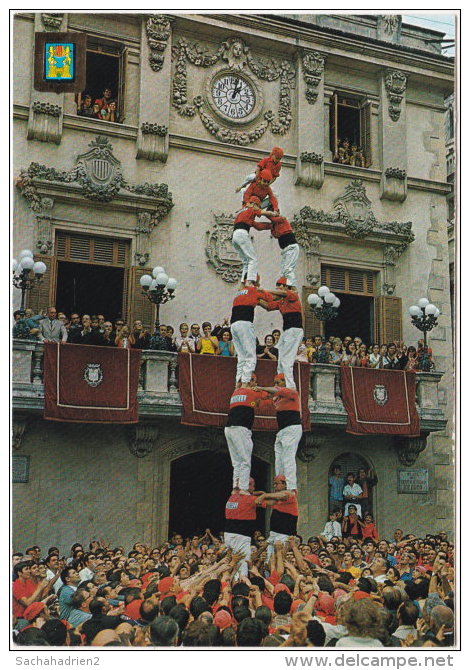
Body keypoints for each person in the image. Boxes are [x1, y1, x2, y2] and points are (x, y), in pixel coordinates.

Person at [255, 373, 302, 493]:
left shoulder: (291, 392)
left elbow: (275, 390)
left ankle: (291, 486)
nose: (275, 385)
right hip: (282, 431)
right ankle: (279, 484)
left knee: (288, 457)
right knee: (279, 459)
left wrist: (261, 388)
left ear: (284, 382)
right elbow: (260, 404)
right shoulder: (277, 398)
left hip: (292, 428)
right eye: (274, 382)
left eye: (278, 382)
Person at [224, 374, 269, 494]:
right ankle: (243, 488)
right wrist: (258, 389)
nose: (255, 383)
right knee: (245, 460)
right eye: (254, 381)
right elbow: (266, 395)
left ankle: (235, 487)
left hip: (229, 429)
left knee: (236, 462)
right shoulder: (251, 393)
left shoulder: (235, 393)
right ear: (250, 381)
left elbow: (256, 404)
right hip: (241, 429)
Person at [260, 277, 303, 389]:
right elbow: (268, 307)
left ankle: (290, 387)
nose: (278, 288)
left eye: (280, 285)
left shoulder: (293, 294)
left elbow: (282, 293)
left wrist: (262, 290)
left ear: (285, 287)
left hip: (294, 330)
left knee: (287, 360)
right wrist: (256, 299)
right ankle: (280, 383)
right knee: (281, 360)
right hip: (287, 331)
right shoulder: (281, 301)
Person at [230, 278, 271, 385]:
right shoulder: (254, 290)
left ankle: (237, 384)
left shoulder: (239, 293)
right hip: (245, 323)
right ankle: (245, 383)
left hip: (234, 324)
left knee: (241, 357)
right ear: (255, 282)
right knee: (251, 356)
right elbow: (270, 300)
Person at [231, 196, 271, 284]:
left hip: (235, 237)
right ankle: (250, 281)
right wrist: (273, 215)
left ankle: (242, 283)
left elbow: (258, 226)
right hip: (242, 234)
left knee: (246, 262)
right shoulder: (251, 209)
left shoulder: (243, 213)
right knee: (253, 259)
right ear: (254, 204)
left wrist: (270, 226)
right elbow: (261, 212)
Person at [224, 477, 259, 577]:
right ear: (247, 486)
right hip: (241, 536)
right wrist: (264, 495)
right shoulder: (249, 499)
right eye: (253, 485)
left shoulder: (232, 497)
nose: (254, 488)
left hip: (229, 534)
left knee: (231, 562)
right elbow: (270, 503)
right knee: (243, 565)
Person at [257, 475, 298, 558]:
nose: (274, 486)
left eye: (277, 483)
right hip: (273, 534)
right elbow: (263, 502)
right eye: (274, 484)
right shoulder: (276, 499)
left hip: (284, 535)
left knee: (279, 559)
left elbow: (283, 495)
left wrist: (264, 495)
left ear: (285, 484)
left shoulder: (290, 494)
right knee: (269, 560)